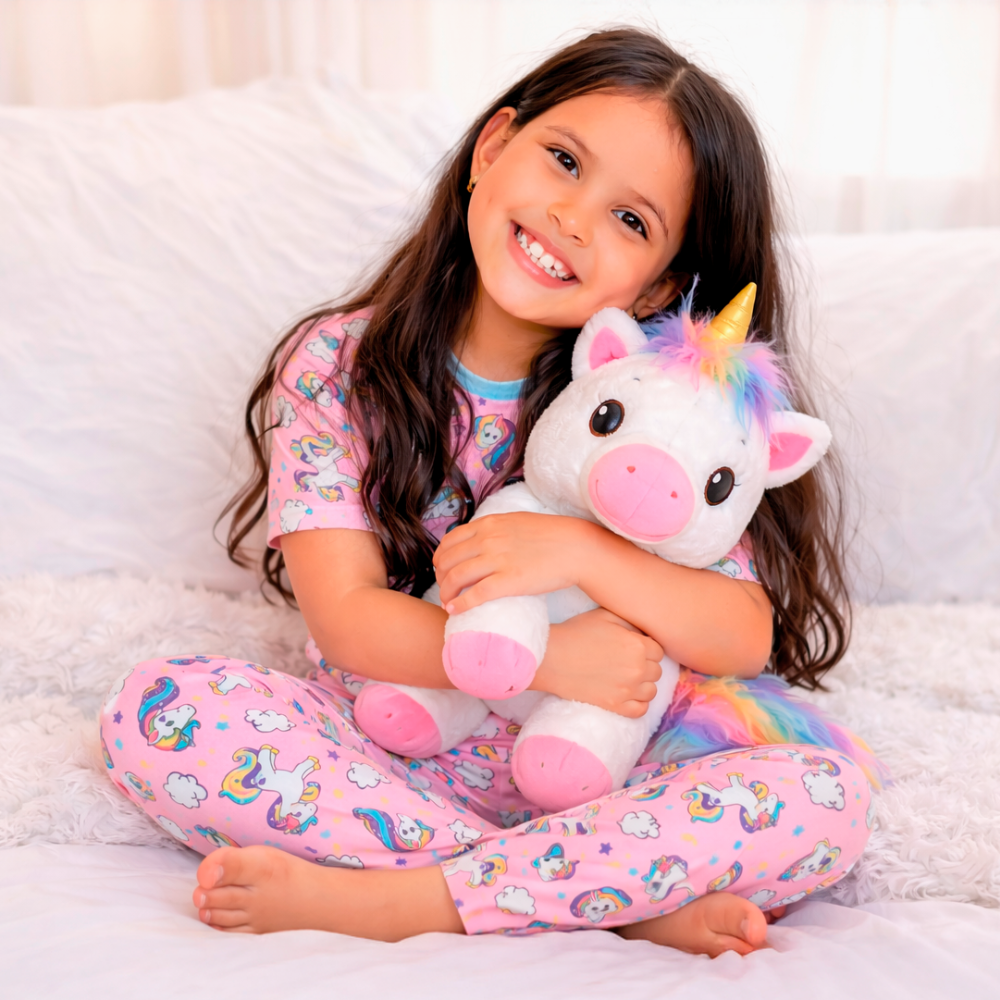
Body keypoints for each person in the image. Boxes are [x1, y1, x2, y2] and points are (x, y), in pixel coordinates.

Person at [101, 28, 880, 957]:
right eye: (564, 161)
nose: (573, 218)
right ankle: (597, 896)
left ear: (658, 289)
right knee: (160, 712)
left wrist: (582, 552)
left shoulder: (665, 401)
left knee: (826, 801)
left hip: (612, 763)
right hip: (402, 735)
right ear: (493, 147)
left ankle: (406, 897)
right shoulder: (337, 366)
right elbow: (347, 619)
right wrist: (549, 661)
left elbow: (740, 635)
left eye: (631, 220)